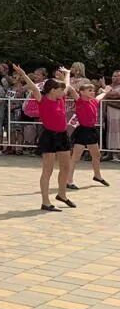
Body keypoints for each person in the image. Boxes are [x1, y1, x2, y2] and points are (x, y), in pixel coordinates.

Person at [13, 64, 74, 211]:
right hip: (49, 135)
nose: (63, 92)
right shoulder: (43, 99)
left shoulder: (60, 98)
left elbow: (66, 85)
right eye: (60, 90)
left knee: (66, 167)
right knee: (48, 170)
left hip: (62, 135)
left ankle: (62, 194)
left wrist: (67, 73)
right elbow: (33, 87)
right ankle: (45, 202)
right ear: (53, 90)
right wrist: (22, 73)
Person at [69, 81, 109, 188]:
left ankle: (97, 175)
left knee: (96, 155)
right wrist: (66, 76)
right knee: (75, 157)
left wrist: (105, 91)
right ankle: (69, 180)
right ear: (81, 92)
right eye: (89, 90)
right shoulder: (80, 101)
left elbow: (100, 97)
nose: (92, 92)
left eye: (93, 90)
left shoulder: (93, 102)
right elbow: (71, 90)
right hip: (82, 131)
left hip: (91, 130)